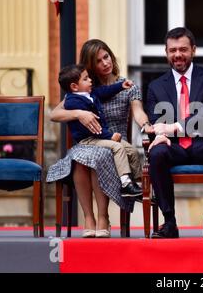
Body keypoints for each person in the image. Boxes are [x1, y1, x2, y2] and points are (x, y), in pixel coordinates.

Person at [47, 39, 153, 238]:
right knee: (82, 158)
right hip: (88, 142)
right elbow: (54, 114)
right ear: (90, 66)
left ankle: (103, 216)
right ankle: (89, 217)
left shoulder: (127, 86)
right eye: (98, 61)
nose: (105, 63)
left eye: (107, 57)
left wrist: (147, 126)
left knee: (98, 156)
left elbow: (138, 112)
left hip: (113, 142)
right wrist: (79, 114)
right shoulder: (84, 90)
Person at [146, 27, 203, 239]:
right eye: (173, 50)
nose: (178, 55)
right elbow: (157, 121)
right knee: (156, 154)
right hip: (174, 146)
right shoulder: (156, 86)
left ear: (193, 50)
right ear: (166, 52)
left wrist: (174, 127)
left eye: (183, 49)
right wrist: (159, 133)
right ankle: (169, 223)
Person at [58, 64, 142, 198]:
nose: (90, 80)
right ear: (74, 86)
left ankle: (137, 183)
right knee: (118, 147)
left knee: (132, 151)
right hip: (89, 139)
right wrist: (110, 136)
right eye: (85, 79)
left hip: (101, 137)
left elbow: (105, 91)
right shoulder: (73, 102)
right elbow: (91, 128)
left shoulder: (90, 93)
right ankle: (126, 185)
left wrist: (121, 86)